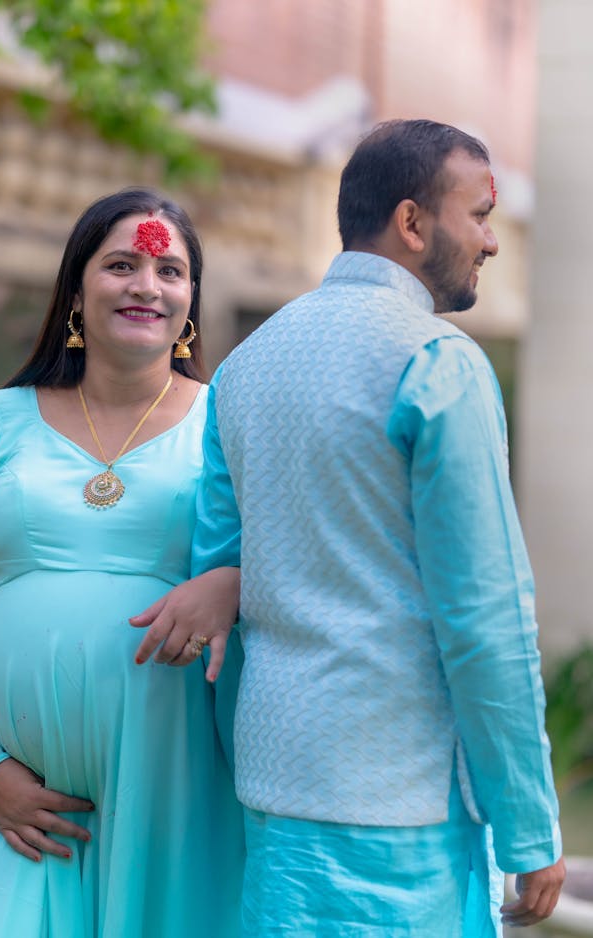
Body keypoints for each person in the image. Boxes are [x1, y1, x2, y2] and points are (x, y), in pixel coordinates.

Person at [135, 120, 565, 935]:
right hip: (396, 804)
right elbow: (485, 620)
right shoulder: (438, 363)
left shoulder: (246, 366)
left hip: (273, 784)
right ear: (412, 223)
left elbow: (220, 583)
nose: (492, 241)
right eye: (479, 215)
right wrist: (529, 824)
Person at [0, 187, 245, 937]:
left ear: (190, 302)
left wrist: (232, 582)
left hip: (169, 787)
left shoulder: (226, 426)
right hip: (0, 801)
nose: (146, 286)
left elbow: (297, 565)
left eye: (170, 271)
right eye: (121, 264)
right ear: (77, 288)